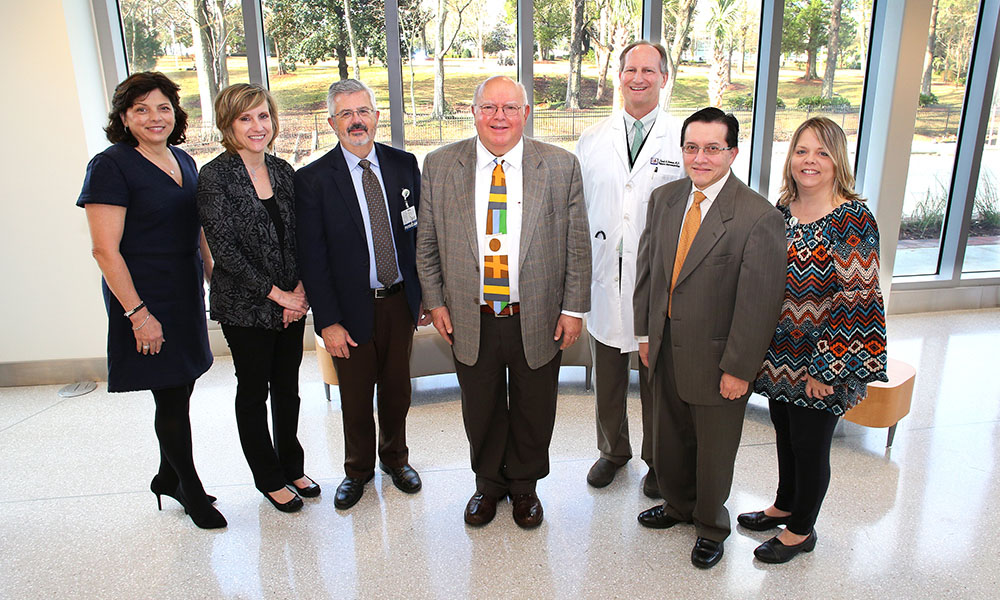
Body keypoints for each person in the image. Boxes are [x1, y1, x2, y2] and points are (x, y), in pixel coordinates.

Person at [416, 76, 591, 528]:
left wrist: (573, 310)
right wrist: (435, 301)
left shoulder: (559, 166)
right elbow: (427, 242)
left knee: (535, 408)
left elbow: (577, 244)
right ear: (472, 113)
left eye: (510, 108)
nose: (500, 117)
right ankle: (488, 485)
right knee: (481, 406)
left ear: (526, 113)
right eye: (489, 107)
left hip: (538, 315)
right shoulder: (439, 164)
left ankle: (525, 488)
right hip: (469, 316)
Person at [633, 107, 786, 568]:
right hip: (663, 347)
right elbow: (648, 274)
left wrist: (739, 369)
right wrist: (644, 333)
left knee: (714, 452)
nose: (700, 157)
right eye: (692, 147)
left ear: (733, 152)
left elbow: (758, 303)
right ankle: (678, 506)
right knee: (669, 439)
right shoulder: (664, 199)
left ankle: (710, 526)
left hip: (720, 360)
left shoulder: (758, 217)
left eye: (712, 148)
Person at [78, 72, 223, 529]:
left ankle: (167, 475)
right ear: (124, 117)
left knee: (182, 385)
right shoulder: (111, 165)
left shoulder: (183, 158)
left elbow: (196, 227)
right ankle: (190, 490)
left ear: (175, 114)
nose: (154, 117)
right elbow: (104, 249)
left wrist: (212, 276)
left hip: (183, 291)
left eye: (162, 107)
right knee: (171, 397)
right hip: (143, 295)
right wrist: (138, 315)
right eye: (140, 109)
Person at [739, 117, 888, 564]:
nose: (810, 161)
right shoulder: (781, 210)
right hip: (781, 355)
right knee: (785, 433)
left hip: (826, 358)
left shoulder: (852, 218)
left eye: (822, 152)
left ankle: (802, 529)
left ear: (837, 160)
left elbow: (857, 300)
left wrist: (826, 370)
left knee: (810, 444)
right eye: (802, 151)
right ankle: (785, 503)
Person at [295, 79, 428, 511]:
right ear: (333, 123)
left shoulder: (404, 164)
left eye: (363, 111)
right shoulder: (313, 180)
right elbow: (312, 259)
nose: (357, 121)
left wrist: (424, 295)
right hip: (348, 312)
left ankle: (396, 459)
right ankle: (357, 471)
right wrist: (327, 322)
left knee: (397, 390)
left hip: (399, 301)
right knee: (354, 398)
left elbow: (419, 236)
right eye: (346, 114)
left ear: (376, 115)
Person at [196, 83, 318, 514]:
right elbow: (225, 251)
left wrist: (298, 293)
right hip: (244, 306)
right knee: (254, 392)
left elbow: (303, 236)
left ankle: (292, 465)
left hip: (292, 301)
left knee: (288, 389)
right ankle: (268, 477)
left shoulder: (284, 170)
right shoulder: (213, 177)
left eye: (263, 116)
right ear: (229, 124)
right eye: (246, 118)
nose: (257, 126)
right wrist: (279, 296)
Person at [575, 40, 684, 494]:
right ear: (619, 76)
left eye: (649, 70)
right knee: (608, 374)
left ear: (664, 78)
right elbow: (577, 209)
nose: (639, 78)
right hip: (605, 273)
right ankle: (612, 451)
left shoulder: (682, 140)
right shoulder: (591, 139)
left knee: (657, 375)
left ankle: (659, 459)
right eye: (631, 69)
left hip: (658, 277)